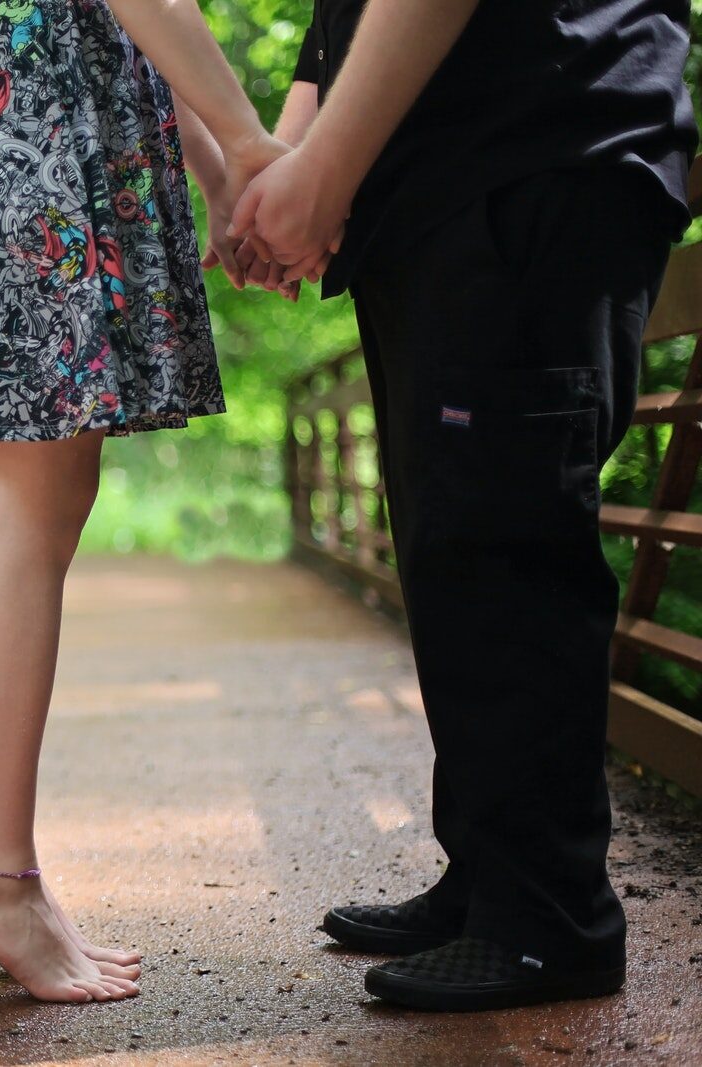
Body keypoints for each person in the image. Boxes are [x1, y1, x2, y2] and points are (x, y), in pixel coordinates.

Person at [230, 0, 697, 1011]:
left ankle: (547, 920)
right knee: (453, 547)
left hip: (539, 141)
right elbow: (336, 25)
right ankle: (490, 876)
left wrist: (319, 169)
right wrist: (288, 164)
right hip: (434, 182)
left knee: (506, 538)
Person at [0, 0, 315, 1003]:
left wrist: (226, 178)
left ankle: (2, 865)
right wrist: (248, 143)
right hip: (45, 130)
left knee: (46, 495)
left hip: (46, 119)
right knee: (32, 501)